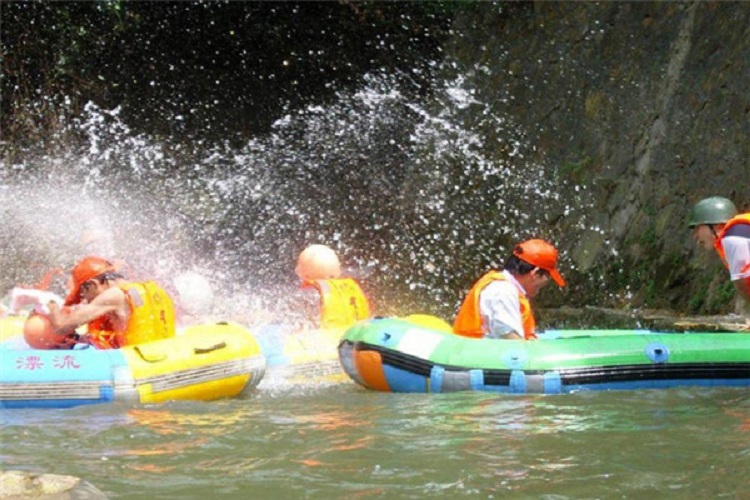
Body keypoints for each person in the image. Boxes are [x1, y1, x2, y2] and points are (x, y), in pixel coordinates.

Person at [42, 256, 176, 349]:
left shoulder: (113, 296)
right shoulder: (151, 288)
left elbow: (61, 326)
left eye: (84, 294)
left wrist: (51, 306)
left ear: (93, 284)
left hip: (138, 366)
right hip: (164, 357)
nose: (85, 301)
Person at [453, 239, 565, 340]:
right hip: (476, 359)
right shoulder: (504, 291)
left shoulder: (503, 285)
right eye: (548, 276)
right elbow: (510, 337)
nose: (545, 284)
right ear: (535, 274)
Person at [688, 196, 750, 305]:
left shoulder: (733, 238)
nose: (695, 236)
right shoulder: (739, 233)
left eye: (698, 228)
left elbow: (743, 283)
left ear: (716, 225)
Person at [294, 244, 371, 329]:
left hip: (327, 337)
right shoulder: (350, 288)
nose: (296, 269)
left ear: (306, 274)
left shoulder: (310, 294)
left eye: (299, 265)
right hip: (356, 334)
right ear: (338, 271)